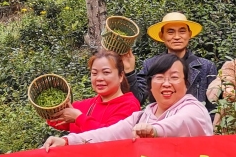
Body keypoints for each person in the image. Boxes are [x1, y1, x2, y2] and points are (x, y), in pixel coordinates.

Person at [46, 53, 212, 146]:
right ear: (150, 85)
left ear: (186, 83)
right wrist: (66, 141)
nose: (166, 83)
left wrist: (153, 130)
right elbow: (108, 134)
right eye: (160, 78)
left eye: (174, 77)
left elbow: (180, 123)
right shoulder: (140, 117)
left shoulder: (193, 109)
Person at [130, 12, 217, 106]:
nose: (176, 37)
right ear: (161, 36)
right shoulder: (151, 64)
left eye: (182, 31)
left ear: (189, 34)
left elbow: (214, 105)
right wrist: (129, 72)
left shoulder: (206, 67)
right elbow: (137, 99)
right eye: (170, 32)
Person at [48, 50, 140, 134]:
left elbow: (110, 136)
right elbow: (54, 119)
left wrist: (79, 118)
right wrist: (52, 96)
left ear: (121, 76)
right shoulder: (83, 106)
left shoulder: (128, 105)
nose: (99, 78)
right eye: (94, 73)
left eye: (106, 72)